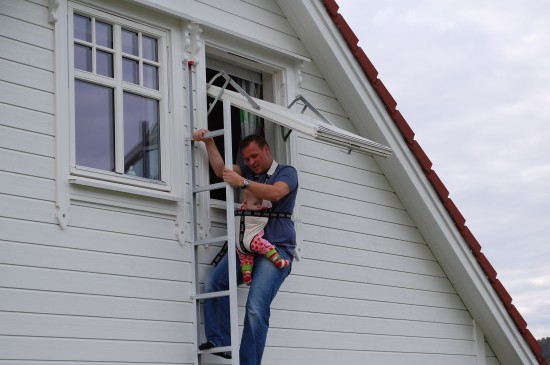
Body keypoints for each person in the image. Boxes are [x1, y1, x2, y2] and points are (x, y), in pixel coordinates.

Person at [192, 130, 298, 365]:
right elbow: (222, 171)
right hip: (247, 246)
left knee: (255, 308)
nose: (251, 162)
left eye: (255, 156)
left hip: (275, 249)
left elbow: (277, 192)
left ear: (267, 150)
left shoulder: (286, 172)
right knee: (214, 282)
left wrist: (244, 183)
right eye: (247, 159)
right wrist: (209, 141)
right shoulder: (249, 171)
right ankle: (220, 341)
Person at [236, 188, 290, 286]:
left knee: (246, 259)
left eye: (260, 203)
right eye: (256, 203)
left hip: (239, 245)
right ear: (245, 203)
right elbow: (269, 207)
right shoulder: (255, 213)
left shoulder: (241, 211)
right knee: (266, 246)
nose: (259, 206)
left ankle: (247, 276)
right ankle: (278, 261)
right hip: (253, 241)